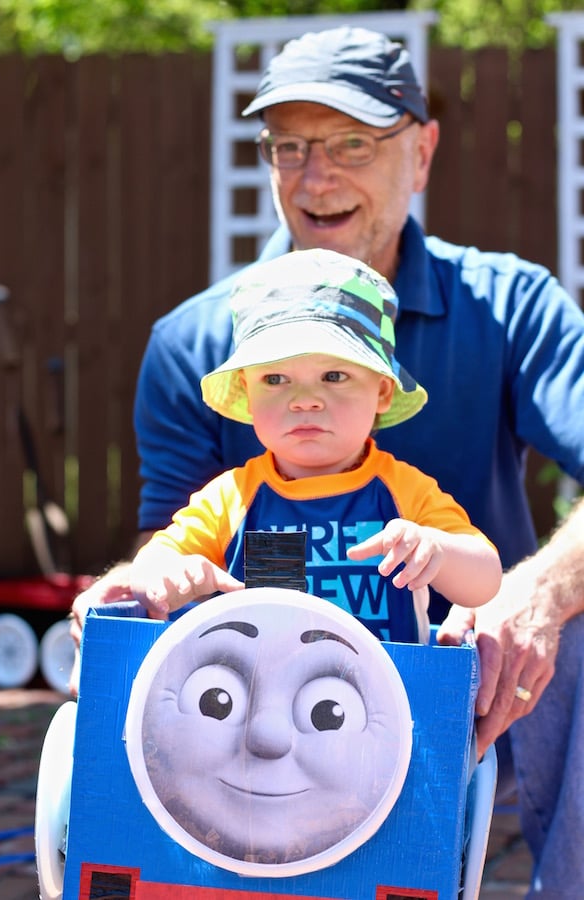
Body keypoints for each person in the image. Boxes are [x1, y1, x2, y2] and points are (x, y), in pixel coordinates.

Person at [71, 26, 584, 897]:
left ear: (421, 152)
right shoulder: (192, 343)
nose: (317, 178)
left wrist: (534, 595)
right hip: (265, 683)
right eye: (291, 147)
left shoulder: (512, 305)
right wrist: (133, 584)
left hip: (469, 657)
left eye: (353, 142)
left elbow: (496, 578)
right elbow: (176, 551)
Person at [129, 248, 501, 631]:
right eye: (275, 379)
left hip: (389, 687)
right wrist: (170, 572)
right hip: (263, 687)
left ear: (383, 392)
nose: (304, 400)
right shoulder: (232, 499)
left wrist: (436, 549)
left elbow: (485, 579)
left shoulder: (404, 492)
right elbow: (148, 567)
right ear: (247, 392)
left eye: (334, 376)